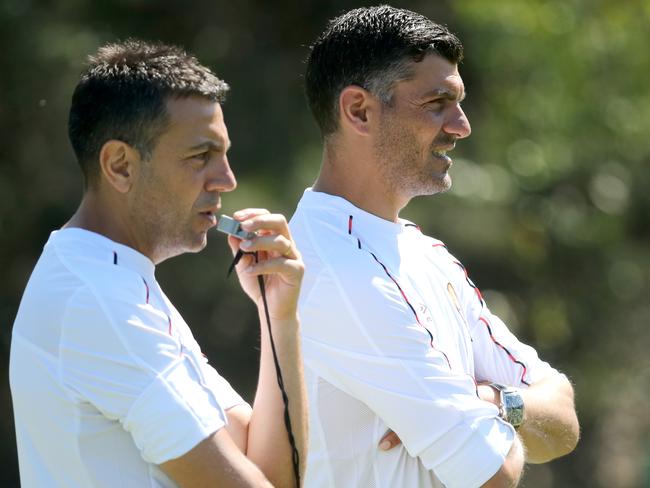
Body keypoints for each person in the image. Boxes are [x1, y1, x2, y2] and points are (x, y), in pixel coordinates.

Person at [290, 6, 579, 488]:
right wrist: (509, 411)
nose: (462, 125)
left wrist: (490, 402)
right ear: (359, 110)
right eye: (437, 103)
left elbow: (563, 419)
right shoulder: (333, 269)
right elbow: (495, 472)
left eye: (459, 102)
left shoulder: (424, 252)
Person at [9, 40, 307, 488]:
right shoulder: (102, 304)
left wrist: (279, 315)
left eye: (224, 154)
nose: (227, 179)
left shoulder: (113, 280)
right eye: (200, 156)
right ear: (120, 166)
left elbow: (268, 467)